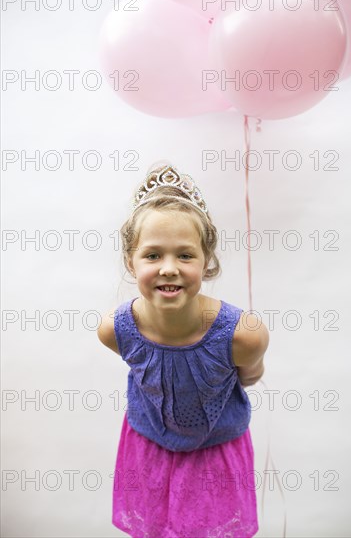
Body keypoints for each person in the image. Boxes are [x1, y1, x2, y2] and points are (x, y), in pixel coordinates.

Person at [97, 162, 269, 538]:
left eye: (186, 255)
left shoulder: (243, 334)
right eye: (153, 255)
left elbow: (251, 374)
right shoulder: (115, 330)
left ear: (207, 261)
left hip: (215, 451)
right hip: (149, 447)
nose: (169, 268)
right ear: (131, 261)